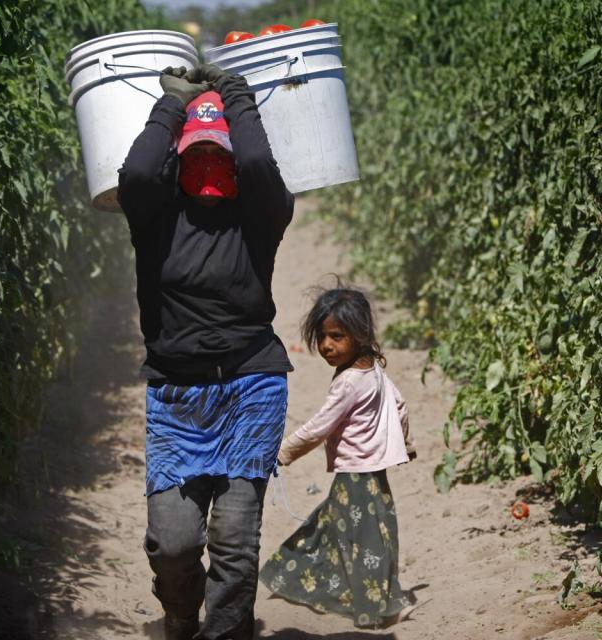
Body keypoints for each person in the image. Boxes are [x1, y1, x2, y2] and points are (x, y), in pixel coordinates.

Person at [117, 63, 294, 640]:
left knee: (235, 543)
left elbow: (259, 163)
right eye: (198, 153)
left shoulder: (259, 216)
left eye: (220, 152)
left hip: (250, 388)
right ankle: (178, 612)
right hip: (177, 395)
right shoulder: (156, 219)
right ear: (180, 158)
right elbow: (138, 169)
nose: (212, 164)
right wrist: (174, 105)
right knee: (174, 544)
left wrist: (236, 94)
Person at [259, 286, 417, 628]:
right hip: (373, 474)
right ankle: (383, 600)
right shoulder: (372, 366)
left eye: (337, 336)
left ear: (359, 336)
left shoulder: (348, 382)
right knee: (356, 532)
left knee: (360, 540)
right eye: (322, 336)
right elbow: (399, 404)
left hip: (355, 474)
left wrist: (281, 453)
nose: (327, 345)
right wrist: (406, 442)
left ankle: (380, 606)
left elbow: (320, 427)